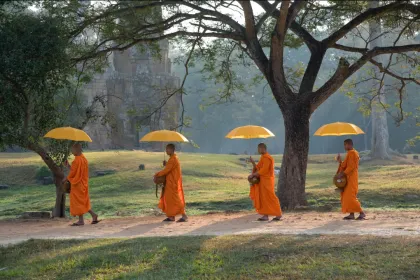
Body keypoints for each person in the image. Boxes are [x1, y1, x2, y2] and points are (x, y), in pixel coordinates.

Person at [62, 143, 99, 226]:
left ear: (77, 149)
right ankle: (93, 215)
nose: (72, 152)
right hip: (83, 183)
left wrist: (66, 178)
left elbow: (73, 173)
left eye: (72, 150)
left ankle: (82, 220)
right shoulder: (83, 159)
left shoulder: (77, 160)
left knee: (78, 202)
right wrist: (68, 166)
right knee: (83, 201)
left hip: (77, 184)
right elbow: (76, 171)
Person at [154, 143, 188, 222]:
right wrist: (166, 164)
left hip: (173, 183)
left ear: (172, 150)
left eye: (167, 149)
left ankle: (184, 215)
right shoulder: (172, 159)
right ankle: (171, 216)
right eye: (166, 149)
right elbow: (170, 168)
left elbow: (167, 170)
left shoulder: (173, 159)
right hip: (169, 183)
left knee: (175, 199)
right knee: (169, 199)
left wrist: (157, 174)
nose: (166, 151)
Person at [249, 143, 282, 221]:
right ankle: (265, 215)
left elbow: (264, 170)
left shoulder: (267, 158)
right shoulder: (262, 158)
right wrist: (253, 163)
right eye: (258, 148)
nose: (258, 150)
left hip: (267, 181)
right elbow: (258, 168)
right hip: (262, 181)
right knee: (263, 198)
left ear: (264, 148)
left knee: (271, 197)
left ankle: (278, 214)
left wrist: (254, 174)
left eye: (260, 148)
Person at [336, 139, 366, 220]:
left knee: (351, 197)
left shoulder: (353, 153)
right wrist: (340, 161)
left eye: (345, 145)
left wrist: (342, 174)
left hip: (351, 177)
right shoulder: (349, 153)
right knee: (347, 196)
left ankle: (361, 213)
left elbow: (351, 167)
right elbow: (345, 165)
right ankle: (351, 214)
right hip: (348, 178)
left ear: (350, 144)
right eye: (344, 145)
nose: (344, 147)